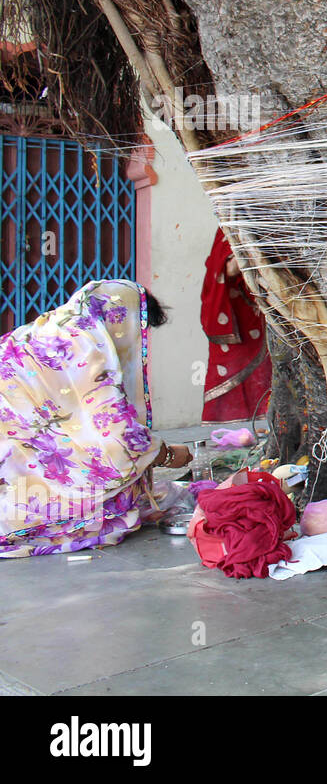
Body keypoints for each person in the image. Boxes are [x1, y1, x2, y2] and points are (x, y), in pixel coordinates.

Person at [0, 280, 192, 557]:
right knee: (106, 508)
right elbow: (116, 438)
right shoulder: (87, 349)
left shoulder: (51, 330)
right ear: (120, 320)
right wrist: (166, 455)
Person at [200, 228, 271, 422]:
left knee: (264, 369)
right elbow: (228, 269)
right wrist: (251, 249)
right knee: (228, 366)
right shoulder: (228, 229)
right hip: (234, 313)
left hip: (258, 313)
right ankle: (224, 420)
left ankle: (263, 419)